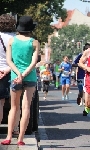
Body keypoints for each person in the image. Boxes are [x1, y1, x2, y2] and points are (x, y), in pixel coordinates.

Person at [1, 16, 39, 145]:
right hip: (30, 77)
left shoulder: (12, 41)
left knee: (14, 107)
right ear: (30, 28)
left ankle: (8, 137)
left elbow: (9, 61)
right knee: (26, 106)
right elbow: (34, 63)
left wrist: (18, 74)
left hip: (15, 77)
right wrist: (24, 74)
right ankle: (21, 139)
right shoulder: (34, 42)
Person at [0, 14, 21, 136]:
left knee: (0, 102)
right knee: (15, 103)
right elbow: (17, 59)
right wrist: (8, 70)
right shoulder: (16, 38)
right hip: (13, 72)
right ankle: (15, 128)